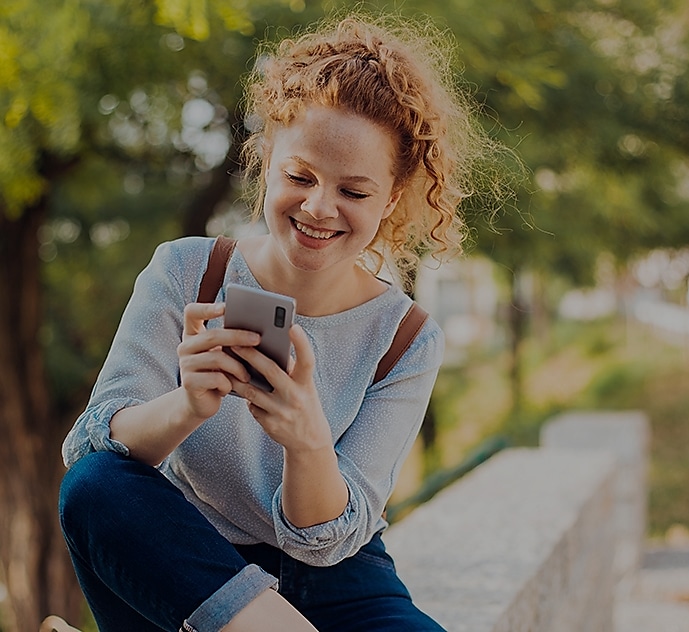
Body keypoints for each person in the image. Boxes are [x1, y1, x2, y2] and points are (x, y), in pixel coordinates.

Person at [59, 13, 502, 632]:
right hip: (193, 568)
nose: (320, 207)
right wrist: (187, 405)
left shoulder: (404, 337)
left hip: (339, 585)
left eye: (354, 190)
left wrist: (307, 439)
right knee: (95, 487)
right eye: (301, 176)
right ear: (267, 163)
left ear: (391, 200)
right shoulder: (189, 271)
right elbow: (88, 452)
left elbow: (327, 542)